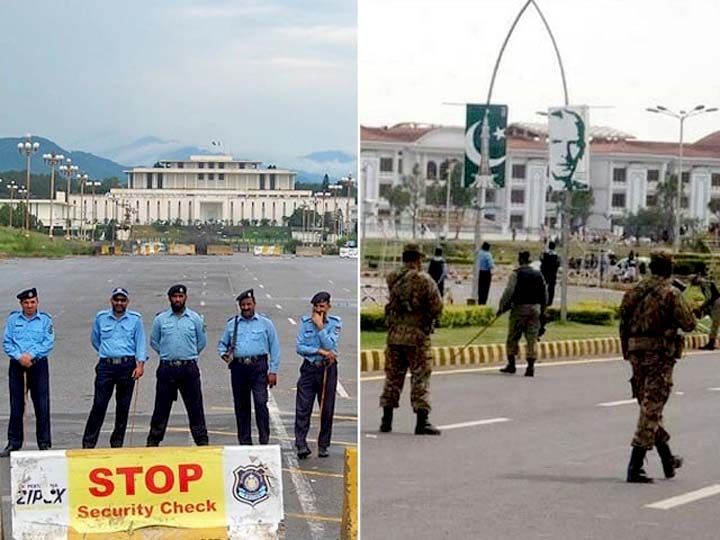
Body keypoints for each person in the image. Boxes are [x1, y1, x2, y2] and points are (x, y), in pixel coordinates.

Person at [619, 250, 696, 483]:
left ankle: (667, 459)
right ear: (669, 268)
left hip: (636, 353)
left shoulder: (634, 291)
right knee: (651, 407)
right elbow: (689, 324)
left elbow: (622, 320)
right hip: (659, 356)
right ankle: (635, 466)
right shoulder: (671, 294)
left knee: (649, 406)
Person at [380, 243, 443, 435]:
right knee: (420, 378)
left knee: (393, 378)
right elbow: (437, 306)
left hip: (395, 336)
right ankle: (422, 421)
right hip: (417, 338)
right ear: (417, 259)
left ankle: (386, 420)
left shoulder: (393, 277)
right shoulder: (424, 280)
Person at [82, 287, 147, 448]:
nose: (119, 303)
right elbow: (95, 340)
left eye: (122, 300)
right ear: (111, 301)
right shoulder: (102, 318)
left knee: (123, 407)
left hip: (127, 366)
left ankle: (117, 442)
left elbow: (140, 342)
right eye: (116, 300)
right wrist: (107, 352)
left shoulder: (135, 319)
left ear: (127, 302)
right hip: (106, 366)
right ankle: (88, 443)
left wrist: (140, 364)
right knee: (99, 405)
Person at [146, 284, 209, 447]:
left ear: (185, 298)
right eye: (175, 297)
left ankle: (202, 441)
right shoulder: (161, 319)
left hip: (189, 368)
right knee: (161, 407)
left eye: (181, 297)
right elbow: (154, 341)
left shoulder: (195, 318)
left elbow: (201, 342)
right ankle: (153, 441)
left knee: (195, 407)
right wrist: (168, 354)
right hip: (167, 368)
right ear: (170, 299)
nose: (178, 300)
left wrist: (187, 355)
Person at [218, 289, 281, 446]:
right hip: (239, 368)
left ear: (254, 304)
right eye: (243, 305)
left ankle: (264, 439)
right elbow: (222, 344)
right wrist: (224, 354)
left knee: (260, 402)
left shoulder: (265, 323)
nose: (246, 307)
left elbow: (275, 347)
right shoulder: (233, 324)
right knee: (241, 406)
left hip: (258, 366)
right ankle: (245, 442)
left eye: (249, 304)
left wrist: (273, 371)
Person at [1, 288, 54, 457]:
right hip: (17, 366)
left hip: (38, 365)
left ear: (37, 302)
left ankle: (44, 443)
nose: (29, 305)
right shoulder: (13, 320)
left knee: (42, 405)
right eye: (26, 303)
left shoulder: (45, 320)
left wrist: (31, 355)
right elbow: (7, 342)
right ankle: (14, 443)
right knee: (16, 405)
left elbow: (48, 342)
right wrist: (19, 357)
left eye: (32, 302)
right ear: (21, 304)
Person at [294, 291, 342, 459]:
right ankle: (301, 444)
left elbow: (330, 345)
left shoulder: (335, 323)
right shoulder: (306, 323)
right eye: (316, 306)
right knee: (303, 407)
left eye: (322, 306)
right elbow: (300, 347)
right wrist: (318, 351)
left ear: (328, 306)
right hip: (309, 368)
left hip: (327, 369)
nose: (318, 310)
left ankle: (323, 445)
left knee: (326, 408)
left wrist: (321, 327)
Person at [497, 251, 547, 377]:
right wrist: (543, 311)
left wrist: (501, 307)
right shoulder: (538, 274)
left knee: (513, 336)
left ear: (520, 260)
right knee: (532, 339)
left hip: (519, 309)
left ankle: (512, 365)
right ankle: (530, 367)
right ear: (529, 261)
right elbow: (544, 294)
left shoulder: (516, 273)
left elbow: (509, 291)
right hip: (535, 309)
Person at [691, 273, 720, 350]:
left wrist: (701, 307)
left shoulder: (704, 284)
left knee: (715, 325)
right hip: (716, 303)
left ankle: (711, 344)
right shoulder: (708, 282)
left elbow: (708, 297)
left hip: (717, 304)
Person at [540, 241, 561, 306]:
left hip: (544, 273)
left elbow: (541, 260)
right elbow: (558, 264)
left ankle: (542, 300)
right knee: (551, 288)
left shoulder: (544, 254)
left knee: (542, 287)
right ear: (554, 247)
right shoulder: (556, 256)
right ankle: (550, 302)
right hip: (552, 274)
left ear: (549, 246)